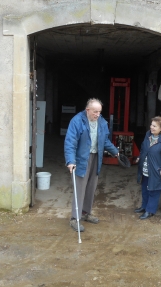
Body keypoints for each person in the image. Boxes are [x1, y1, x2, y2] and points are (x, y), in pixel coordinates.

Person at [64, 98, 119, 232]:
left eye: (99, 112)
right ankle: (74, 219)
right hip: (82, 158)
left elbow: (104, 140)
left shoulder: (102, 122)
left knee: (91, 187)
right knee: (80, 188)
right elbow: (70, 142)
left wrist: (115, 152)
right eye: (95, 112)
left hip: (96, 157)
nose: (97, 115)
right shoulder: (77, 121)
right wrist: (70, 161)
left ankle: (86, 213)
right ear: (87, 110)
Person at [134, 116, 161, 219]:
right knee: (144, 189)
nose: (151, 127)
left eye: (154, 126)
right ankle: (144, 206)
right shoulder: (148, 135)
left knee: (153, 191)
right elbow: (143, 148)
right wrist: (139, 157)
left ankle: (150, 211)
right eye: (151, 125)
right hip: (145, 169)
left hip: (156, 171)